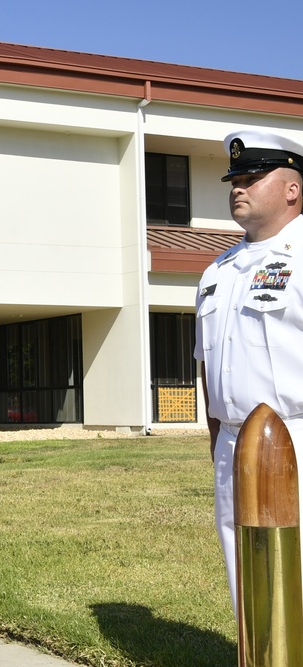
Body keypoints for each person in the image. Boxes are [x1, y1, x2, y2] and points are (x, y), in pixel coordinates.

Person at [195, 129, 303, 616]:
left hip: (296, 435)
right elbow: (206, 359)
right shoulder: (219, 269)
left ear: (292, 189)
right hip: (232, 443)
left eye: (253, 177)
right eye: (234, 179)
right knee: (244, 571)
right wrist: (217, 434)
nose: (238, 187)